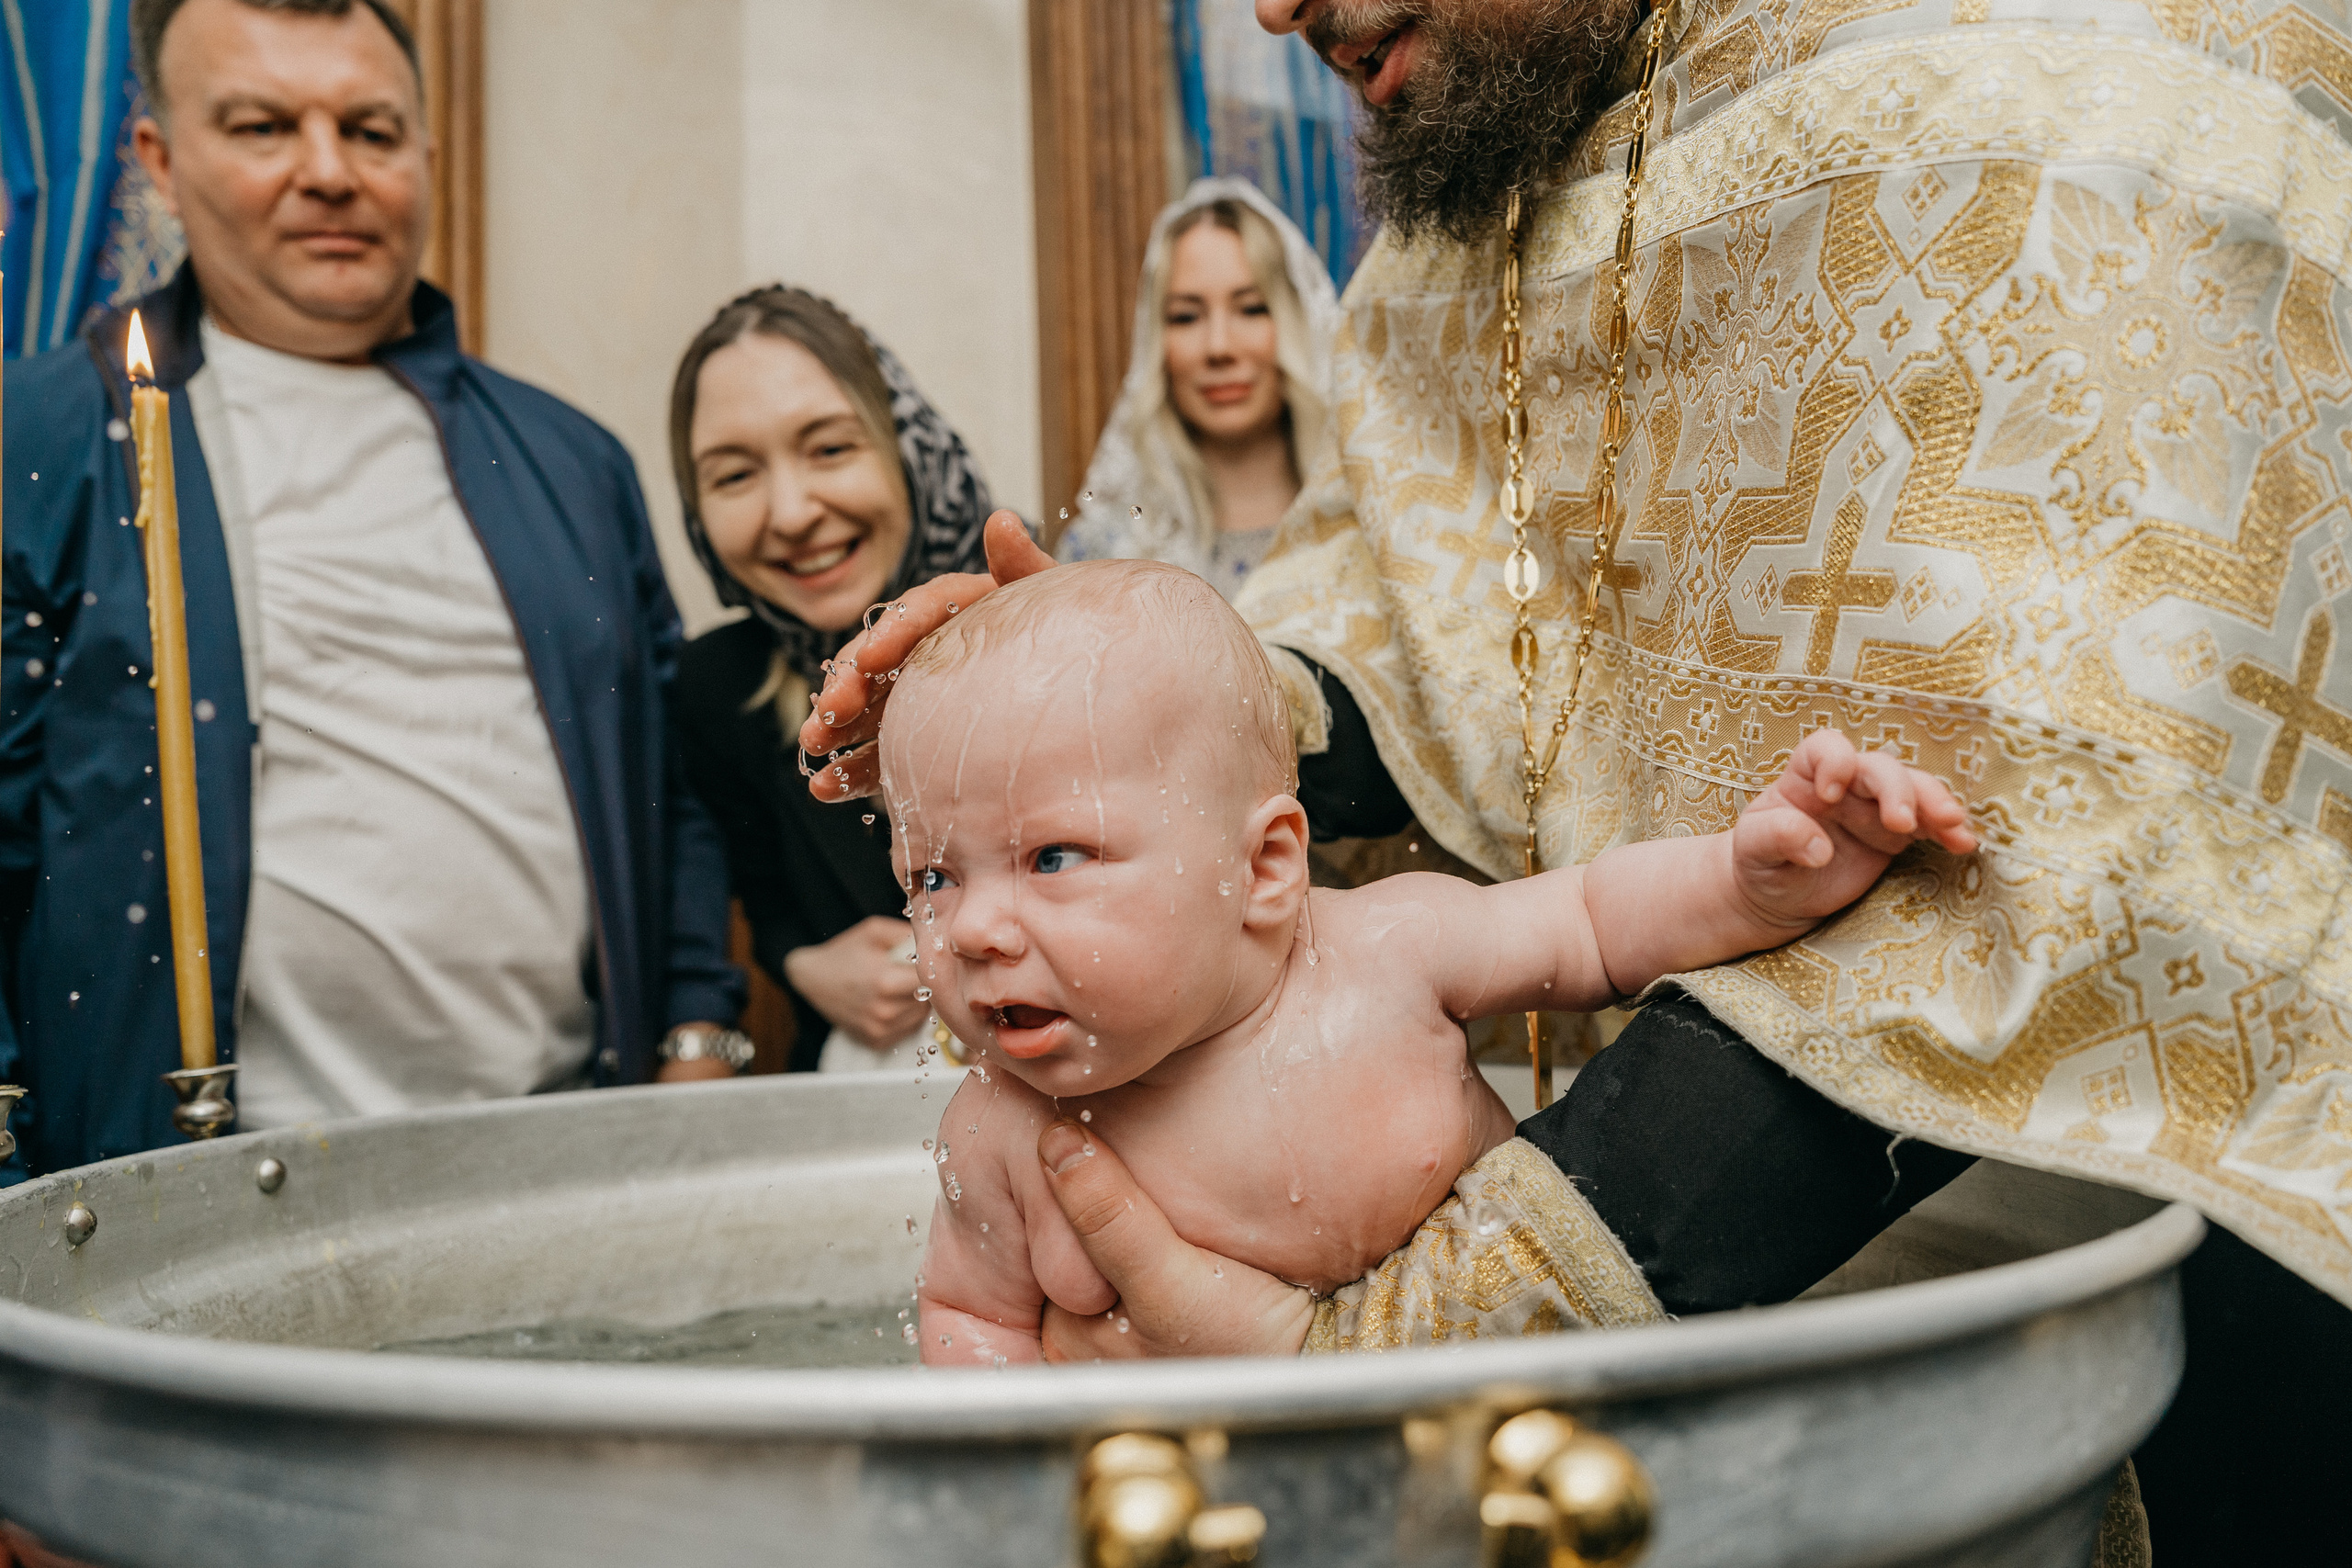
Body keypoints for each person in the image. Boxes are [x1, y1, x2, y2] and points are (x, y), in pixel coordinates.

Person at [808, 0, 2352, 1555]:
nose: (1274, 7)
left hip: (2149, 1254)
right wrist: (1110, 723)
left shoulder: (2079, 54)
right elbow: (1434, 628)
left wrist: (1404, 1349)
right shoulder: (1501, 153)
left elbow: (2068, 803)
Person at [0, 0, 745, 1179]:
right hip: (195, 1184)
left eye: (372, 130)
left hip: (560, 1149)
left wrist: (698, 1033)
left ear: (424, 157)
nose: (329, 172)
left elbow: (668, 789)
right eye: (261, 127)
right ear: (159, 157)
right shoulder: (40, 440)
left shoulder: (569, 460)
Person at [892, 560, 1974, 1366]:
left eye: (1053, 856)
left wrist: (1747, 886)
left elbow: (1592, 923)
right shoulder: (1000, 1131)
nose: (975, 929)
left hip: (1497, 1446)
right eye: (934, 878)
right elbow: (970, 1319)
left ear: (1266, 867)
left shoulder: (1386, 954)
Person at [671, 286, 1002, 1073]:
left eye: (829, 449)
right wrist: (800, 963)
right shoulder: (716, 689)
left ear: (907, 450)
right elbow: (771, 903)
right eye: (734, 474)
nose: (789, 512)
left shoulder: (1039, 624)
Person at [1055, 178, 1338, 602]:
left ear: (1298, 325)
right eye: (1186, 317)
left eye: (1251, 308)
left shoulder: (1368, 532)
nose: (1219, 347)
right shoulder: (1104, 552)